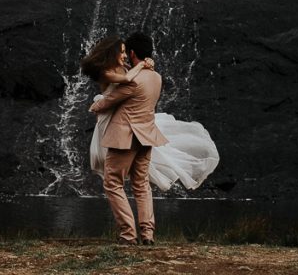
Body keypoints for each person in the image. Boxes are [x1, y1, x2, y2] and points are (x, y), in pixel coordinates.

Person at [84, 31, 219, 246]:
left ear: (133, 52)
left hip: (125, 137)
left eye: (127, 53)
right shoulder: (156, 77)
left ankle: (128, 235)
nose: (126, 57)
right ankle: (147, 234)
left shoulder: (132, 79)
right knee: (141, 185)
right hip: (147, 137)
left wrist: (95, 105)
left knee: (113, 183)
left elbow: (108, 102)